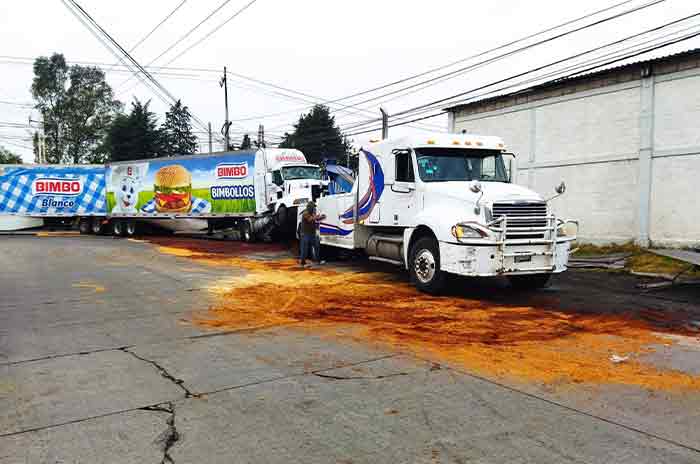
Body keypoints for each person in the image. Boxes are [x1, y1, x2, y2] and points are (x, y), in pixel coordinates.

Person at [299, 201, 325, 267]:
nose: (314, 208)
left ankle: (318, 260)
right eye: (313, 207)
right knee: (304, 248)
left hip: (312, 233)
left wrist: (321, 217)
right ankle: (303, 262)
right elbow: (310, 219)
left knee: (317, 245)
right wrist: (317, 217)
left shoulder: (312, 213)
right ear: (310, 207)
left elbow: (315, 219)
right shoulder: (305, 213)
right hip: (305, 234)